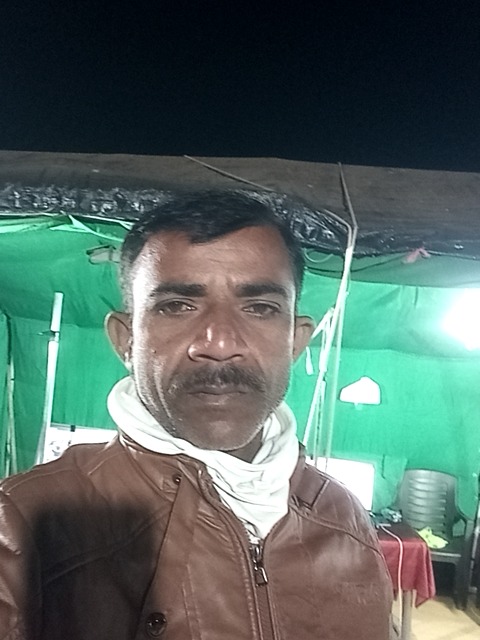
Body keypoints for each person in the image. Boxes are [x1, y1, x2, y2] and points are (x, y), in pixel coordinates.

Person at [0, 190, 392, 639]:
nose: (220, 344)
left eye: (259, 308)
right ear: (126, 340)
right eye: (177, 306)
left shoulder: (341, 514)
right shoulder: (25, 522)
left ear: (296, 340)